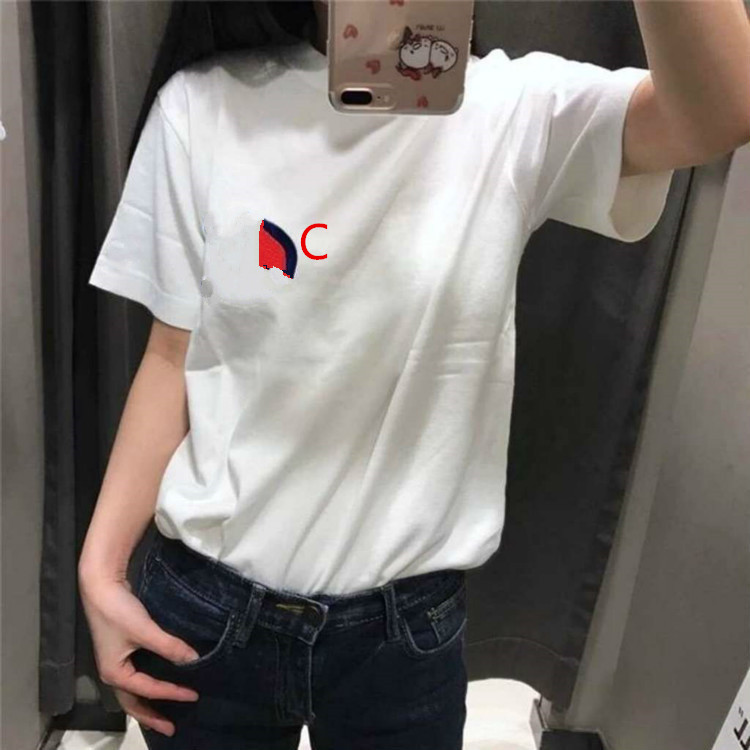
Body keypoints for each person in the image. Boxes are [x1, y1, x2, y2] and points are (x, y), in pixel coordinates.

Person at [78, 0, 678, 748]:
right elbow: (173, 355)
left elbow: (717, 112)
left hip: (402, 634)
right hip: (208, 609)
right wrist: (100, 569)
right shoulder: (203, 105)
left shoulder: (515, 109)